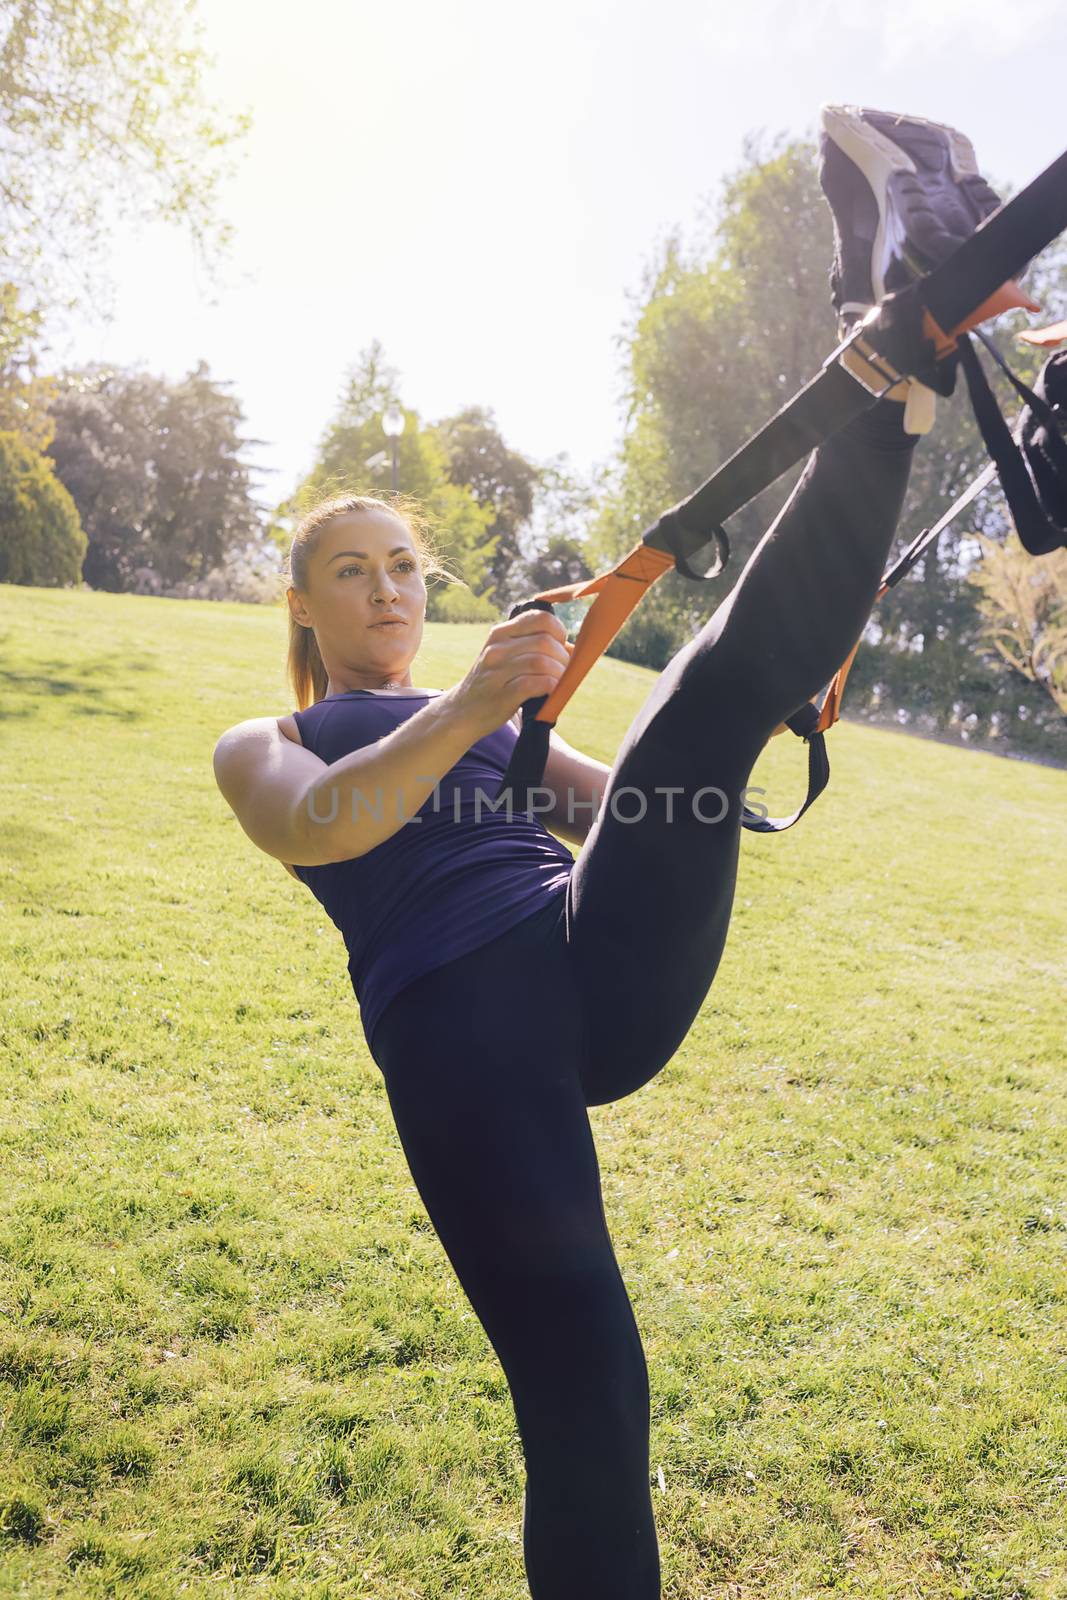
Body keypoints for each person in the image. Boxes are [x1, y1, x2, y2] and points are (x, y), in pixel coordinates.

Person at [213, 106, 1002, 1600]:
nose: (387, 588)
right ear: (305, 608)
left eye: (404, 566)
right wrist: (479, 703)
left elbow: (631, 794)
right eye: (350, 571)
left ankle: (897, 355)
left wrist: (737, 738)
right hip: (466, 1039)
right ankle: (898, 333)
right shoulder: (274, 738)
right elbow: (329, 827)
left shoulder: (492, 711)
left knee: (703, 709)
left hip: (598, 963)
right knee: (589, 1410)